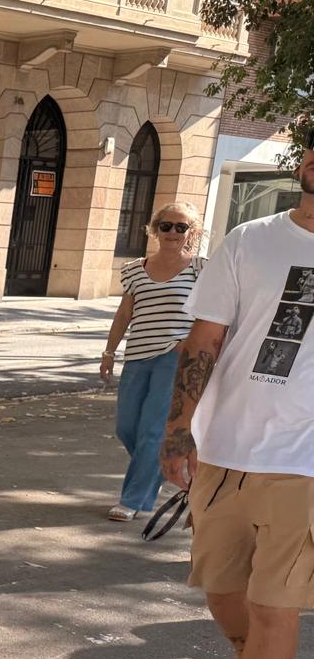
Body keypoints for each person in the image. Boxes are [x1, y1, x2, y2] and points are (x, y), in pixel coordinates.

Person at [159, 136, 314, 659]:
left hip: (304, 465)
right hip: (224, 451)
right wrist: (177, 431)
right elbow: (205, 341)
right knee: (222, 590)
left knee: (275, 606)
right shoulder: (250, 241)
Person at [99, 202, 205, 521]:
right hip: (137, 356)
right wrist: (109, 352)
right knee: (126, 426)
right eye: (166, 225)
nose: (173, 232)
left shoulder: (203, 268)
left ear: (192, 232)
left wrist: (191, 342)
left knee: (152, 431)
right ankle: (159, 472)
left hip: (175, 358)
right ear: (155, 229)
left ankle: (133, 500)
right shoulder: (134, 269)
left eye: (181, 227)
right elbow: (124, 314)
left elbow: (214, 313)